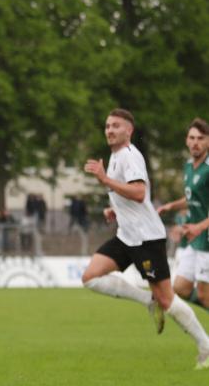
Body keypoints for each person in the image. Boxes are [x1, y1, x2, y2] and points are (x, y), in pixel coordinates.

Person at [81, 109, 209, 369]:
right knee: (91, 277)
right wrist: (114, 208)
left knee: (168, 299)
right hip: (126, 235)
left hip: (147, 239)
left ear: (129, 131)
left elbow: (140, 192)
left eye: (116, 126)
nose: (109, 130)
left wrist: (105, 180)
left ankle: (205, 346)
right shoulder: (115, 156)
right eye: (107, 126)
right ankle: (146, 300)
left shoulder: (131, 156)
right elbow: (131, 196)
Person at [158, 119, 209, 322]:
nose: (195, 142)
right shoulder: (189, 166)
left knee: (204, 295)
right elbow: (191, 198)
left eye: (201, 138)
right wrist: (170, 206)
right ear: (186, 141)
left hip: (206, 239)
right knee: (179, 289)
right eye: (192, 138)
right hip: (194, 238)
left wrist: (199, 226)